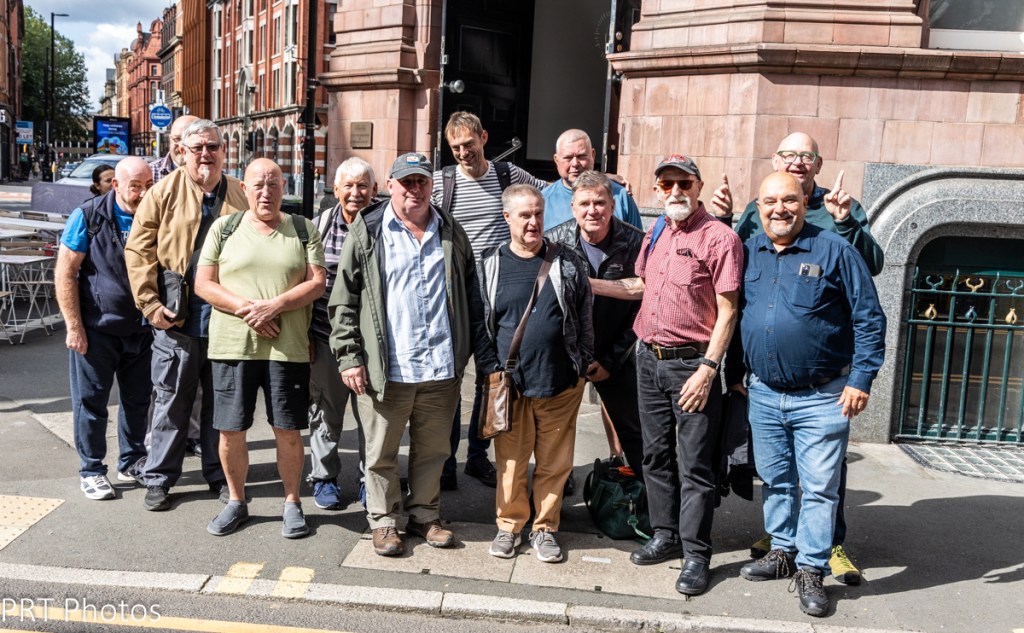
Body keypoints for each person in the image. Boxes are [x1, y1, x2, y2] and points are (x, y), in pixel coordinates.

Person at [716, 132, 883, 584]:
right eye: (770, 202)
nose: (780, 209)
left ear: (804, 202)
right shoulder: (750, 252)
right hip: (765, 394)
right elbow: (736, 314)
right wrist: (735, 374)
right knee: (776, 480)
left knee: (820, 489)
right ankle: (782, 550)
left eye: (789, 200)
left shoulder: (836, 249)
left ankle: (812, 568)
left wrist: (861, 379)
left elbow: (869, 317)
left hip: (823, 396)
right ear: (759, 207)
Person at [330, 152, 497, 556]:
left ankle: (424, 514)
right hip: (386, 370)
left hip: (440, 368)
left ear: (431, 186)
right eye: (407, 182)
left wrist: (476, 355)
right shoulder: (369, 229)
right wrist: (350, 356)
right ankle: (385, 520)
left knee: (434, 451)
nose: (415, 189)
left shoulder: (450, 230)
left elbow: (472, 296)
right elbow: (344, 299)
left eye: (422, 181)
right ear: (390, 186)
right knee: (381, 453)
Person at [596, 155, 742, 597]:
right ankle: (665, 533)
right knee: (654, 456)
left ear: (698, 186)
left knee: (695, 465)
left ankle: (697, 554)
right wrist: (586, 283)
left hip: (691, 366)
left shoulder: (720, 238)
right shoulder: (657, 229)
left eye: (683, 182)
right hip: (648, 360)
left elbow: (729, 310)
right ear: (657, 190)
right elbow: (640, 286)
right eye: (666, 184)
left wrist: (708, 368)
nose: (675, 191)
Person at [193, 158, 326, 538]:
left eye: (273, 184)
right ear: (245, 188)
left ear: (284, 187)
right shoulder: (225, 227)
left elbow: (317, 282)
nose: (266, 192)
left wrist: (276, 306)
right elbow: (203, 284)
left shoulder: (302, 229)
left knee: (288, 429)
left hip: (287, 350)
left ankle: (292, 503)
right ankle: (236, 501)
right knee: (230, 430)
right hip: (232, 348)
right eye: (258, 185)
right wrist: (249, 310)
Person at [124, 118, 247, 512]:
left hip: (227, 319)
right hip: (176, 318)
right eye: (198, 148)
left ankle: (220, 475)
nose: (205, 155)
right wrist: (149, 303)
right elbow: (138, 250)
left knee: (222, 404)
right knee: (171, 401)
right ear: (182, 152)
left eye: (212, 147)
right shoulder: (162, 192)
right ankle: (160, 478)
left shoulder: (239, 193)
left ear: (223, 151)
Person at [429, 112, 550, 491]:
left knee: (490, 379)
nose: (463, 152)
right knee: (449, 379)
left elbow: (550, 192)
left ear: (483, 138)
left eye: (469, 144)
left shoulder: (507, 175)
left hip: (497, 293)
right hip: (454, 295)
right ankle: (445, 461)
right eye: (455, 147)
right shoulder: (442, 182)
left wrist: (600, 182)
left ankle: (477, 456)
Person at [482, 184, 593, 563]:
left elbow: (585, 317)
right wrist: (492, 370)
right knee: (511, 463)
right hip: (511, 386)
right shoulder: (491, 264)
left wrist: (581, 366)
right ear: (507, 218)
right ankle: (509, 526)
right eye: (525, 215)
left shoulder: (568, 261)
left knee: (554, 463)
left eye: (538, 214)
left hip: (561, 383)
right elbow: (483, 324)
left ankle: (544, 529)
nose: (533, 222)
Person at [55, 157, 155, 500]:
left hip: (142, 328)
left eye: (148, 185)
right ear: (115, 185)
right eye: (135, 186)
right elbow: (65, 272)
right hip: (97, 328)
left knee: (138, 400)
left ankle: (132, 460)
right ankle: (92, 469)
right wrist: (74, 327)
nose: (142, 193)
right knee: (91, 403)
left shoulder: (154, 214)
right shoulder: (88, 216)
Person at [544, 171, 644, 479]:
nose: (592, 211)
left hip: (617, 353)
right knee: (554, 431)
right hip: (567, 355)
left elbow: (643, 308)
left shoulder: (636, 243)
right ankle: (555, 490)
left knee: (635, 431)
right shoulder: (554, 243)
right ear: (573, 207)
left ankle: (645, 494)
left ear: (613, 205)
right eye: (584, 203)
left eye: (600, 203)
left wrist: (611, 359)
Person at [306, 157, 376, 510]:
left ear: (374, 190)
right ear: (335, 190)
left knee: (373, 417)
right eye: (348, 185)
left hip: (372, 345)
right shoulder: (318, 227)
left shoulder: (384, 225)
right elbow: (304, 282)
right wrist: (304, 334)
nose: (355, 193)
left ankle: (370, 481)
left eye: (362, 185)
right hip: (324, 337)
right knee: (325, 412)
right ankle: (324, 478)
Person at [713, 132, 884, 276]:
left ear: (818, 165)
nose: (797, 162)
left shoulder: (842, 208)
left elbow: (872, 266)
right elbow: (730, 263)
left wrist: (845, 222)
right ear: (775, 161)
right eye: (789, 155)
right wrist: (723, 219)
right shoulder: (757, 209)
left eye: (807, 157)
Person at [542, 130, 642, 231]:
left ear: (593, 155)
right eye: (568, 158)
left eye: (581, 156)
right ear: (556, 160)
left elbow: (638, 239)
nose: (575, 163)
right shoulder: (543, 201)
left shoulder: (620, 196)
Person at [150, 115, 199, 184]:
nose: (182, 145)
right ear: (170, 139)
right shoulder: (151, 172)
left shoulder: (211, 173)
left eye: (189, 139)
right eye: (177, 139)